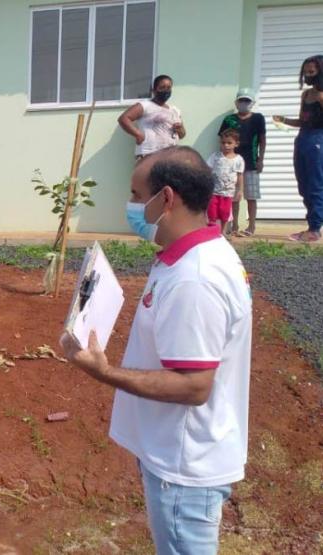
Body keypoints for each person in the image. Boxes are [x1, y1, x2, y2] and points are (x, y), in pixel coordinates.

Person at [60, 146, 252, 555]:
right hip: (180, 454)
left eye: (135, 194)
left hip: (184, 467)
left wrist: (103, 372)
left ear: (166, 198)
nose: (130, 205)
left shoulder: (195, 279)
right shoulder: (194, 256)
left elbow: (193, 386)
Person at [273, 54, 323, 243]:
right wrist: (284, 120)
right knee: (304, 185)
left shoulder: (321, 96)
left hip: (317, 140)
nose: (308, 75)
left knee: (316, 185)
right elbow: (303, 121)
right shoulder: (306, 95)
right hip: (303, 138)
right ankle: (312, 225)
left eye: (312, 71)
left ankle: (314, 229)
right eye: (305, 72)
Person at [219, 88, 266, 237]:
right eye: (241, 100)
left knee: (251, 197)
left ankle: (251, 226)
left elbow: (262, 140)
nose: (244, 103)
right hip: (232, 164)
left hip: (251, 163)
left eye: (247, 100)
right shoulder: (229, 120)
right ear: (236, 102)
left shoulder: (258, 118)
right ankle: (234, 225)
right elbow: (222, 140)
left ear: (252, 103)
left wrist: (261, 159)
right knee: (234, 197)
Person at [118, 75, 186, 160]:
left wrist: (180, 129)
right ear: (154, 90)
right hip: (149, 155)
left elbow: (182, 135)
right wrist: (138, 134)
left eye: (169, 88)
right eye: (162, 87)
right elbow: (123, 119)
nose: (166, 91)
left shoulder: (175, 110)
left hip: (170, 157)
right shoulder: (145, 105)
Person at [206, 129, 245, 235]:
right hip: (214, 192)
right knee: (212, 213)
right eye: (223, 143)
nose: (226, 145)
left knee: (224, 213)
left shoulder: (238, 160)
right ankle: (212, 232)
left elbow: (240, 176)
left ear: (236, 144)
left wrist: (240, 190)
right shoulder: (215, 157)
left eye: (229, 143)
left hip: (228, 193)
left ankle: (222, 232)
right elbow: (207, 171)